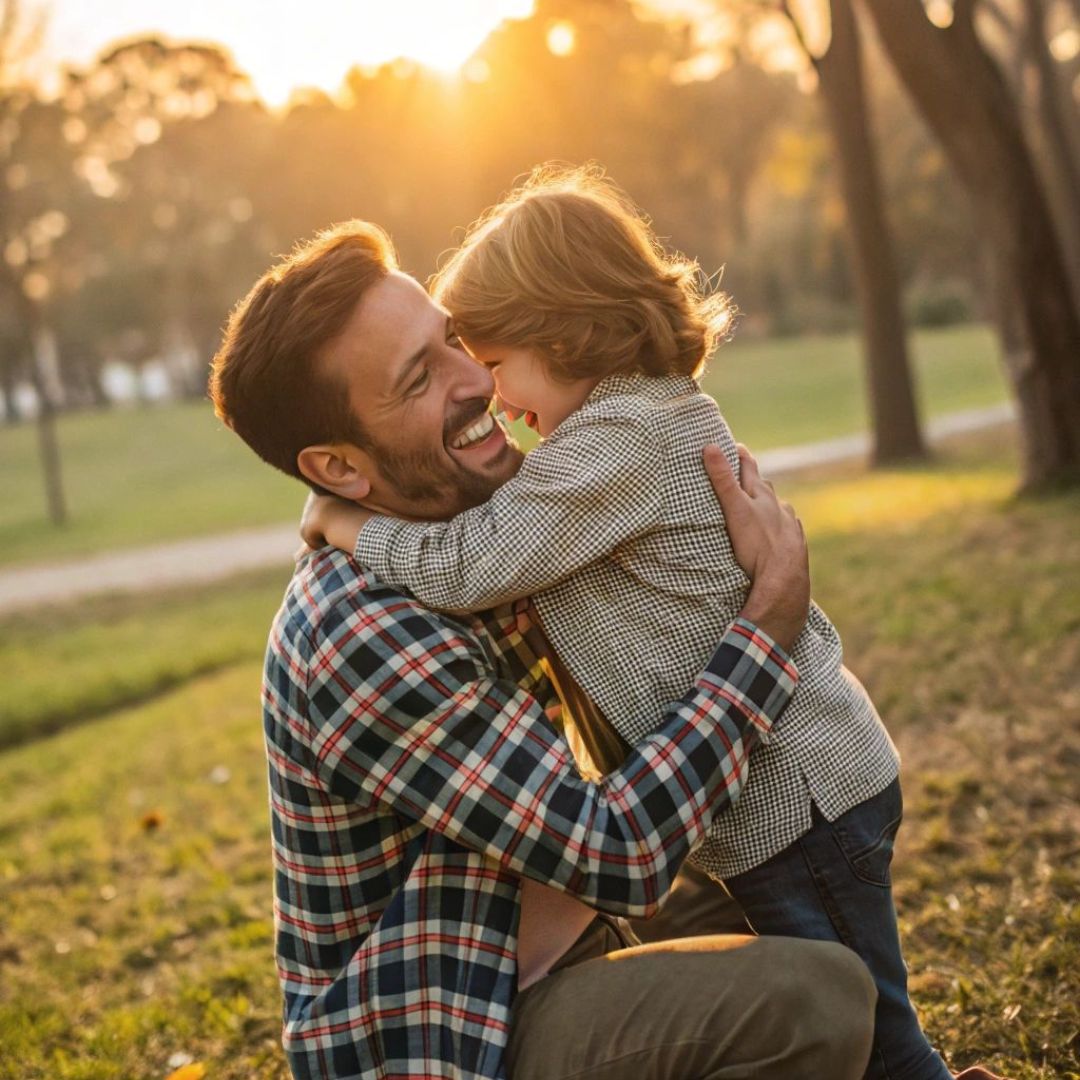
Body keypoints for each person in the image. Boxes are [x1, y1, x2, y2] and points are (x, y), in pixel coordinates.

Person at [297, 167, 942, 1080]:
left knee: (878, 1037)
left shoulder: (618, 445)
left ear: (562, 332)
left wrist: (345, 522)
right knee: (858, 1011)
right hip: (797, 798)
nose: (487, 390)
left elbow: (471, 563)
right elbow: (518, 526)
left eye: (488, 357)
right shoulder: (624, 431)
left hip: (798, 805)